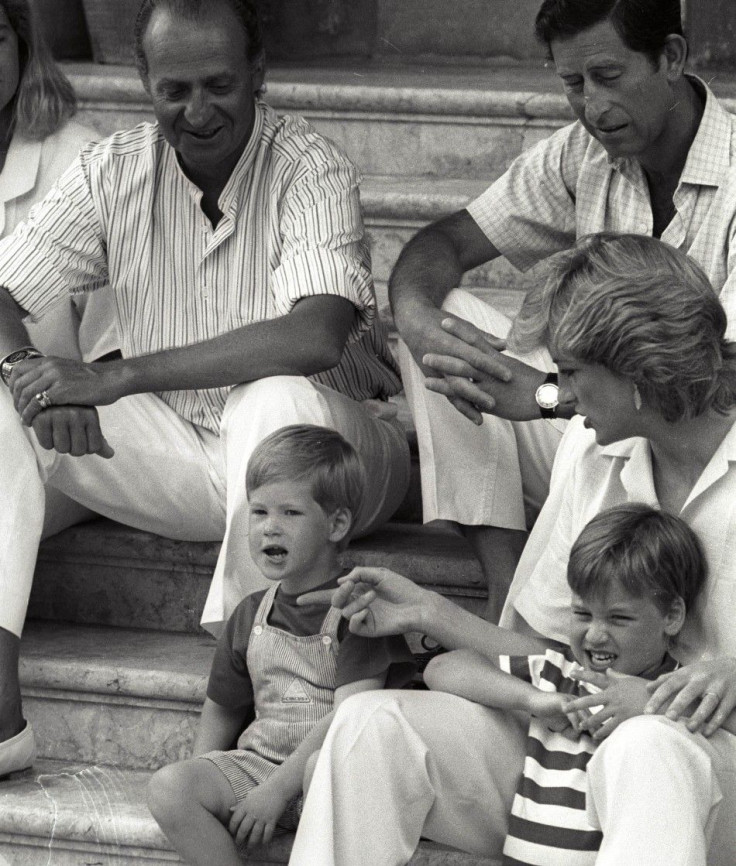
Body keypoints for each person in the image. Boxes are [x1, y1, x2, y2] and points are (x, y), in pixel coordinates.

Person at [0, 0, 410, 777]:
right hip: (187, 455)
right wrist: (31, 375)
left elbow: (313, 336)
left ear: (258, 74)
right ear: (144, 82)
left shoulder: (310, 165)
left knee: (271, 400)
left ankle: (256, 676)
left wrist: (115, 376)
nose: (197, 109)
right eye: (174, 88)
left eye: (218, 84)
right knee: (0, 396)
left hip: (337, 454)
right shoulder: (113, 168)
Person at [289, 235, 736, 866]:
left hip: (709, 771)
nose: (559, 394)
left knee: (646, 748)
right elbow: (557, 652)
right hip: (584, 764)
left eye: (573, 373)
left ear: (639, 374)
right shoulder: (591, 451)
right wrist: (427, 610)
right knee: (372, 724)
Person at [388, 0, 736, 617]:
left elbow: (722, 371)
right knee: (447, 322)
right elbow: (443, 243)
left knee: (590, 436)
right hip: (598, 418)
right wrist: (415, 324)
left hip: (695, 450)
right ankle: (507, 588)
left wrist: (553, 395)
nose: (592, 105)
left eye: (608, 76)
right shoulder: (582, 153)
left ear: (673, 58)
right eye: (572, 84)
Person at [147, 425, 415, 865]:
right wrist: (205, 775)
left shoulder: (361, 613)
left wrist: (277, 791)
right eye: (258, 512)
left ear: (336, 524)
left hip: (330, 777)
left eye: (291, 513)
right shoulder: (249, 614)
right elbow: (222, 709)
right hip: (257, 768)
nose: (270, 528)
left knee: (329, 776)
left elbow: (349, 720)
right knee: (169, 787)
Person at [426, 503, 717, 866]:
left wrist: (650, 703)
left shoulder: (680, 694)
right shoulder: (563, 676)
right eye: (582, 614)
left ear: (672, 616)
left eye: (619, 618)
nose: (594, 634)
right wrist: (534, 698)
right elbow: (443, 667)